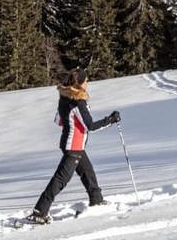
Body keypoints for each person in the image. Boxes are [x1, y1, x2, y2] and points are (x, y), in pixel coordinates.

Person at [29, 68, 120, 224]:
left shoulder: (64, 97)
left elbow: (58, 121)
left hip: (69, 143)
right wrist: (110, 120)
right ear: (79, 84)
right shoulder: (78, 101)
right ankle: (40, 211)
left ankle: (96, 200)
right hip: (73, 147)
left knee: (88, 172)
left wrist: (70, 120)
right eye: (86, 81)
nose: (88, 83)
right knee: (61, 179)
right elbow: (90, 126)